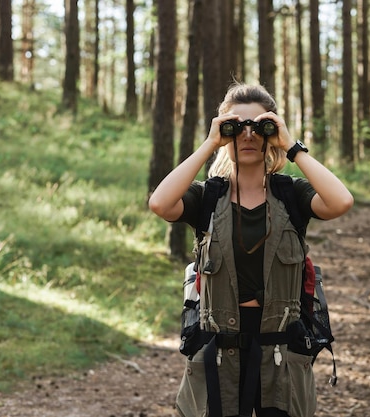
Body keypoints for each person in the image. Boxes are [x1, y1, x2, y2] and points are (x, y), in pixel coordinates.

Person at [148, 82, 354, 417]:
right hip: (220, 354)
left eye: (259, 126)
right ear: (224, 132)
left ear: (272, 131)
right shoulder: (207, 198)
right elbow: (159, 203)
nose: (248, 135)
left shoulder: (290, 195)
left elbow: (341, 201)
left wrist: (291, 146)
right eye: (236, 127)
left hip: (280, 354)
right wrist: (210, 144)